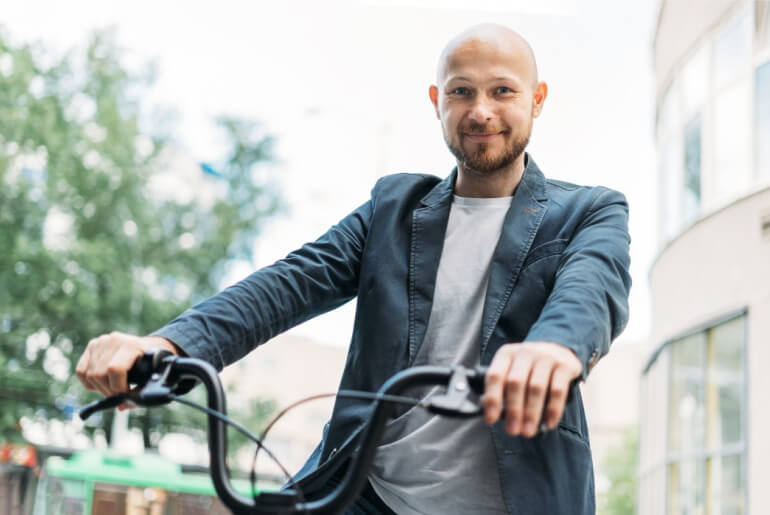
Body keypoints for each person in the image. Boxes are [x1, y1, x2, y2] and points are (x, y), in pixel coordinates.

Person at [76, 23, 631, 515]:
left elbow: (593, 286)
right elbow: (290, 283)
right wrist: (169, 344)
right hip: (368, 493)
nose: (480, 110)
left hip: (518, 499)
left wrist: (556, 347)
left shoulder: (590, 210)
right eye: (462, 92)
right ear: (438, 101)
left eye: (502, 91)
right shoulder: (394, 209)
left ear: (537, 100)